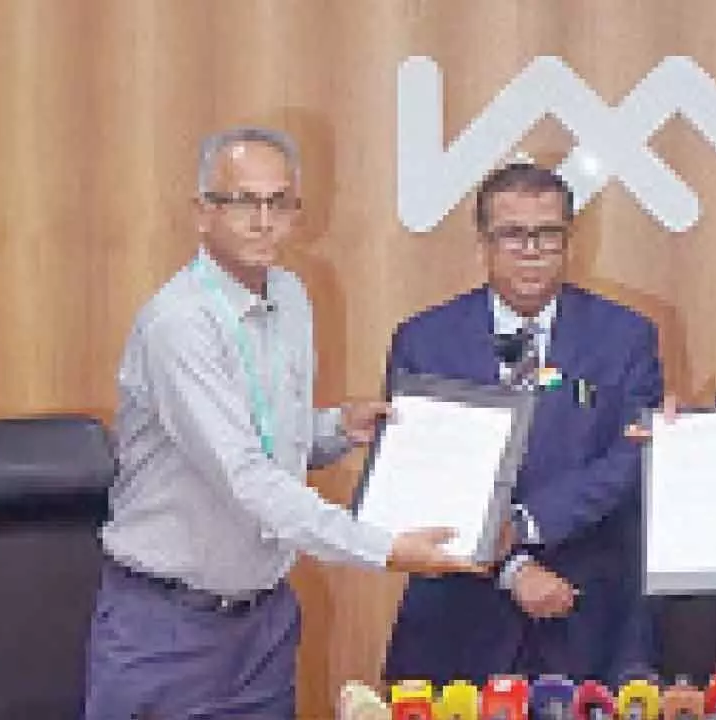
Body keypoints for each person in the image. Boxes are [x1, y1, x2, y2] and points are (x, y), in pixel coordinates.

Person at [83, 127, 477, 720]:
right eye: (244, 202)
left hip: (262, 624)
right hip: (166, 628)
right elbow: (244, 476)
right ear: (203, 213)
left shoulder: (290, 297)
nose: (264, 221)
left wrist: (337, 430)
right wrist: (385, 549)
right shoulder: (180, 325)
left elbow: (270, 441)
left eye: (279, 202)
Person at [382, 162, 665, 685]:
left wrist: (529, 523)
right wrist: (512, 568)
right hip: (458, 621)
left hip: (587, 614)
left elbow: (633, 456)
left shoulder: (626, 336)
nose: (531, 250)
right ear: (483, 243)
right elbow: (423, 481)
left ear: (570, 239)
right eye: (513, 235)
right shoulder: (424, 341)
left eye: (547, 234)